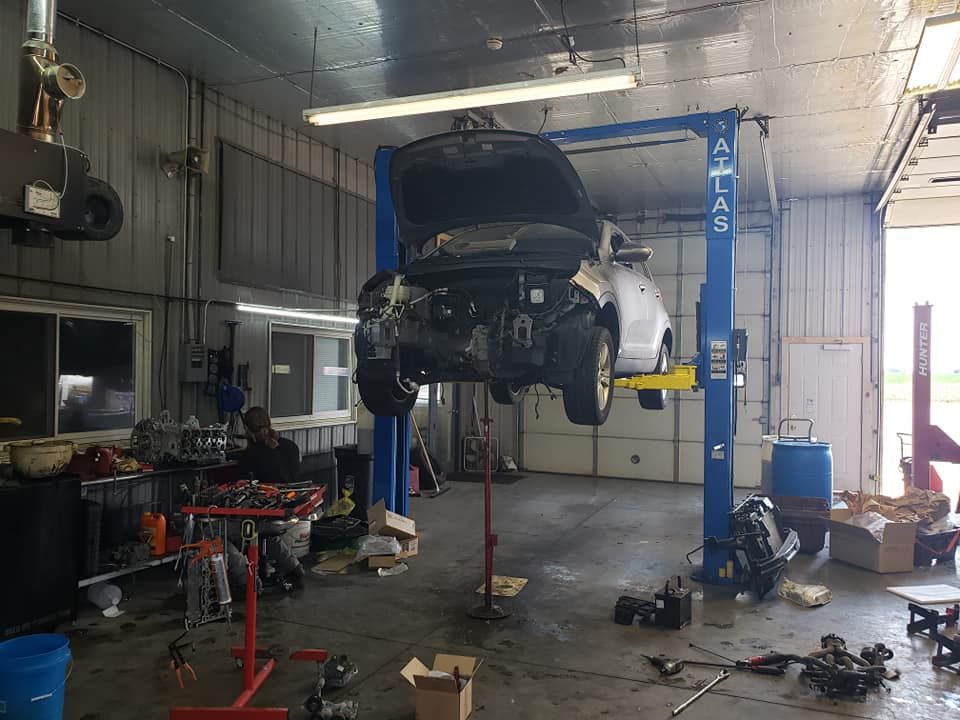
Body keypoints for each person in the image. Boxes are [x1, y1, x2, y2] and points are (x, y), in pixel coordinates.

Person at [226, 406, 306, 588]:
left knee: (218, 531)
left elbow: (241, 485)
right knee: (265, 533)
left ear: (247, 431)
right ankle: (294, 568)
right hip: (288, 512)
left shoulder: (251, 455)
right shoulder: (291, 447)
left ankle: (247, 580)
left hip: (268, 515)